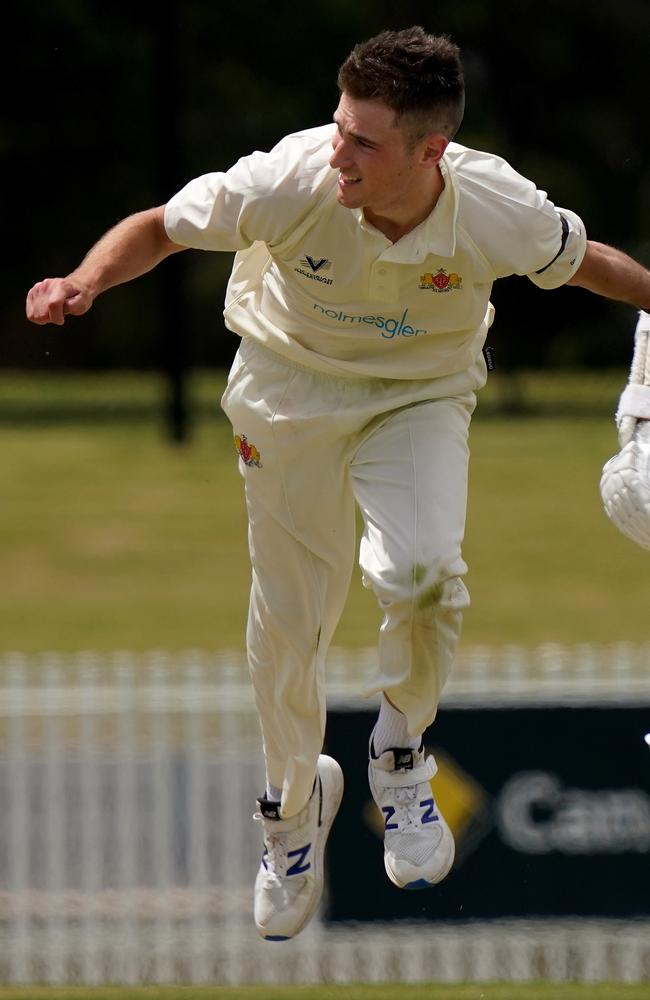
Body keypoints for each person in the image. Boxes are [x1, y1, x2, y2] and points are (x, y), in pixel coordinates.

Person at [26, 26, 650, 941]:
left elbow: (587, 261)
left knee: (426, 574)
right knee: (288, 623)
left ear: (430, 151)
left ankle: (399, 755)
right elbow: (159, 227)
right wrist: (83, 281)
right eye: (338, 125)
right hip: (286, 394)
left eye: (364, 140)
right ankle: (290, 809)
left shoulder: (492, 202)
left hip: (420, 396)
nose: (339, 151)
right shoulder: (290, 179)